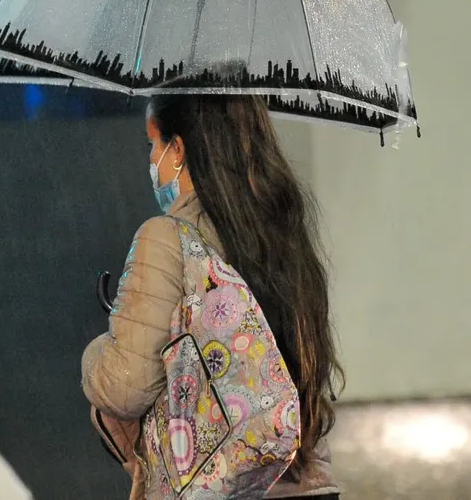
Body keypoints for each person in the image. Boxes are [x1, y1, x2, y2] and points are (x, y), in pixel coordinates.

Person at [82, 92, 343, 499]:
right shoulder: (283, 230)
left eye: (152, 144)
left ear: (179, 149)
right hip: (306, 484)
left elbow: (123, 388)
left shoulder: (167, 239)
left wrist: (98, 351)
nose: (151, 160)